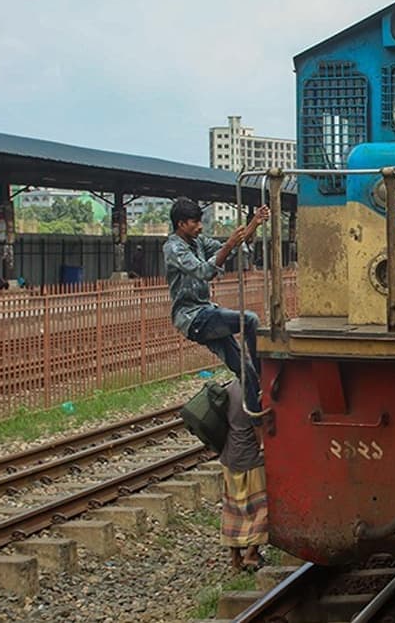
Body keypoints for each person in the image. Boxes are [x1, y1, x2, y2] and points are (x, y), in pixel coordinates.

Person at [164, 197, 271, 422]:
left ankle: (258, 428)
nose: (200, 226)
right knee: (250, 320)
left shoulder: (198, 242)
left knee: (245, 372)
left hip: (206, 312)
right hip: (193, 318)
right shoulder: (174, 248)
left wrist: (254, 224)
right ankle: (266, 376)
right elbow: (204, 271)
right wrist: (231, 243)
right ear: (181, 224)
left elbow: (232, 249)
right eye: (195, 222)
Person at [219, 379, 268, 570]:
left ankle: (235, 559)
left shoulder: (230, 387)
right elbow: (258, 427)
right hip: (250, 458)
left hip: (229, 457)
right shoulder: (254, 391)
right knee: (261, 507)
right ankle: (251, 553)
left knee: (233, 509)